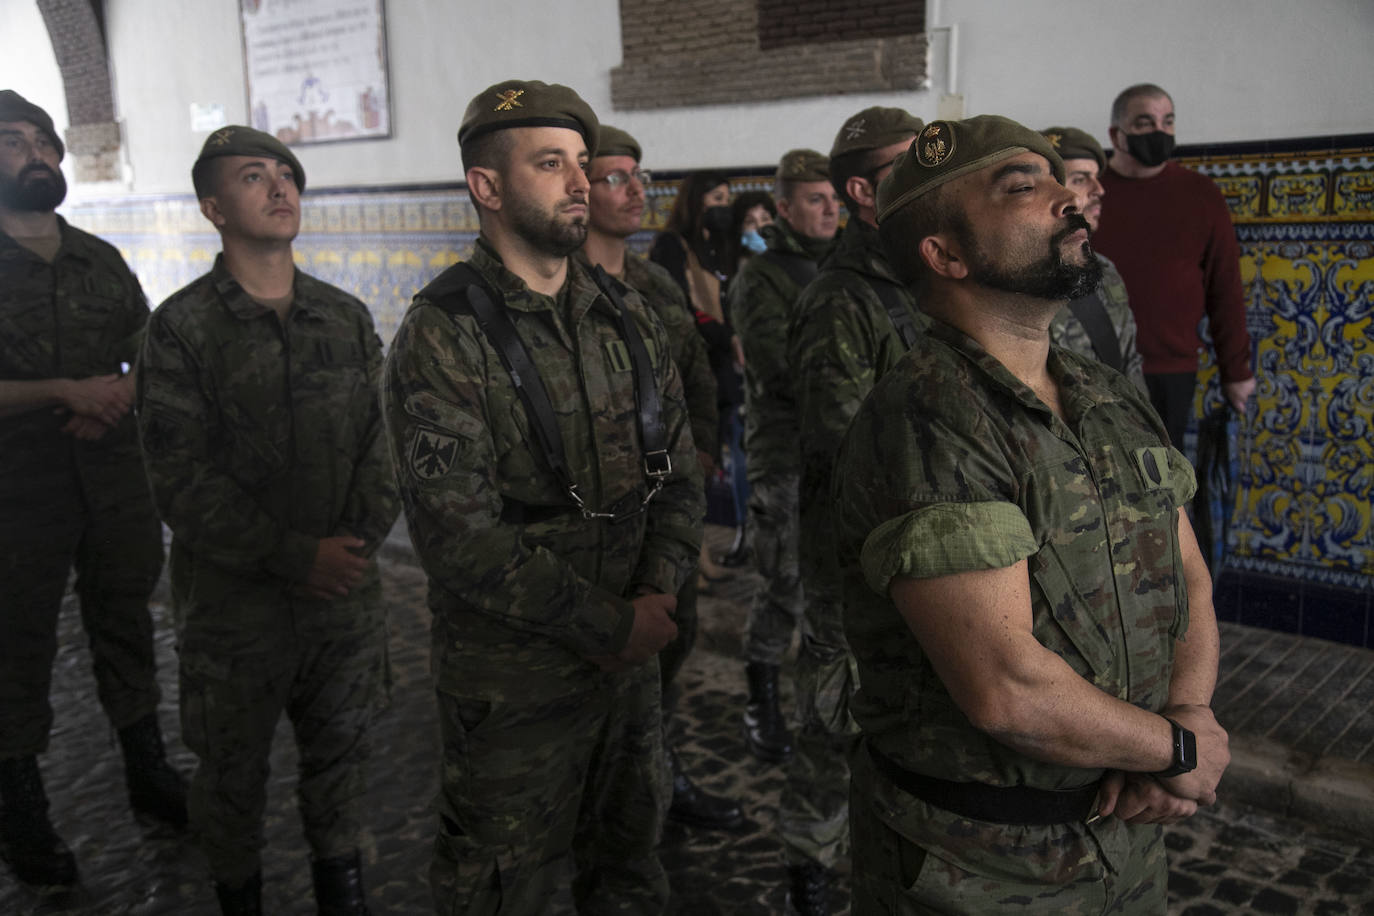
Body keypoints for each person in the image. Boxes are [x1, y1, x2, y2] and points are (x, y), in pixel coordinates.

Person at [835, 115, 1230, 913]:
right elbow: (1008, 689)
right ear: (945, 256)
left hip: (1127, 840)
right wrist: (1178, 749)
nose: (1069, 198)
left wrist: (1186, 713)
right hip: (983, 868)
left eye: (1063, 179)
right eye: (1023, 187)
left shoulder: (1108, 394)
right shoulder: (928, 416)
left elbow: (1186, 573)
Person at [382, 81, 703, 914]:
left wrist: (657, 591)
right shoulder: (443, 333)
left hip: (630, 665)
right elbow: (460, 540)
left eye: (584, 165)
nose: (580, 184)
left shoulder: (628, 315)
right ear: (487, 188)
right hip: (513, 683)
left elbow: (681, 475)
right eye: (551, 164)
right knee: (500, 886)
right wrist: (613, 624)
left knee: (630, 867)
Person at [137, 125, 399, 914]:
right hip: (234, 613)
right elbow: (180, 481)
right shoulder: (181, 330)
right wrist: (294, 555)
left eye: (287, 173)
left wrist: (351, 548)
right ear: (214, 207)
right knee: (230, 779)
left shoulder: (344, 317)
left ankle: (340, 894)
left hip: (342, 605)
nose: (281, 187)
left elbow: (385, 446)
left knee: (342, 770)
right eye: (255, 177)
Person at [0, 89, 186, 888]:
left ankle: (149, 770)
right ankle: (21, 811)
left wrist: (117, 389)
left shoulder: (99, 259)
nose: (37, 153)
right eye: (13, 143)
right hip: (16, 493)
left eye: (44, 139)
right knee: (16, 649)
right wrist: (63, 392)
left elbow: (144, 352)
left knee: (126, 626)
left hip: (113, 480)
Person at [779, 106, 925, 915]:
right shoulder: (844, 299)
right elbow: (841, 450)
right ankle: (808, 859)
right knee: (834, 715)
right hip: (857, 559)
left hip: (930, 558)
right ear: (864, 191)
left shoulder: (934, 274)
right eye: (910, 164)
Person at [579, 123, 742, 832]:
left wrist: (700, 454)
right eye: (614, 177)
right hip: (594, 520)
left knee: (672, 643)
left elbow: (693, 375)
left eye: (637, 175)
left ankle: (659, 774)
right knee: (601, 664)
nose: (633, 189)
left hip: (665, 514)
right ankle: (598, 794)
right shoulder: (559, 287)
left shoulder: (651, 282)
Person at [729, 148, 839, 765]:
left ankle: (822, 702)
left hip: (841, 451)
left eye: (834, 198)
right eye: (815, 200)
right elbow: (778, 367)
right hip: (787, 454)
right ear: (784, 207)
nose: (830, 210)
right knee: (784, 584)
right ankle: (760, 701)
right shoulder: (761, 276)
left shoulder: (848, 264)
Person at [1092, 83, 1255, 446]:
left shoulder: (1201, 195)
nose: (1160, 132)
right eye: (1146, 123)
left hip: (1170, 369)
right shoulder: (1090, 192)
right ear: (1116, 134)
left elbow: (1224, 288)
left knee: (1166, 484)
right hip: (1091, 368)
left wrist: (1237, 371)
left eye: (1168, 122)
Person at [1041, 126, 1147, 392]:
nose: (1099, 189)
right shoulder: (1012, 277)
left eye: (1097, 178)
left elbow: (1128, 367)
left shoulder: (1104, 271)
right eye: (1080, 179)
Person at [715, 190, 775, 565]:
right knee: (740, 459)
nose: (759, 230)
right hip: (741, 384)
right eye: (750, 224)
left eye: (765, 222)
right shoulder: (729, 273)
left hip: (781, 387)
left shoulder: (791, 267)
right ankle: (744, 532)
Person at [648, 170, 732, 322]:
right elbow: (677, 301)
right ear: (696, 199)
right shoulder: (671, 243)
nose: (724, 207)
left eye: (727, 201)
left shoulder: (718, 245)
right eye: (718, 198)